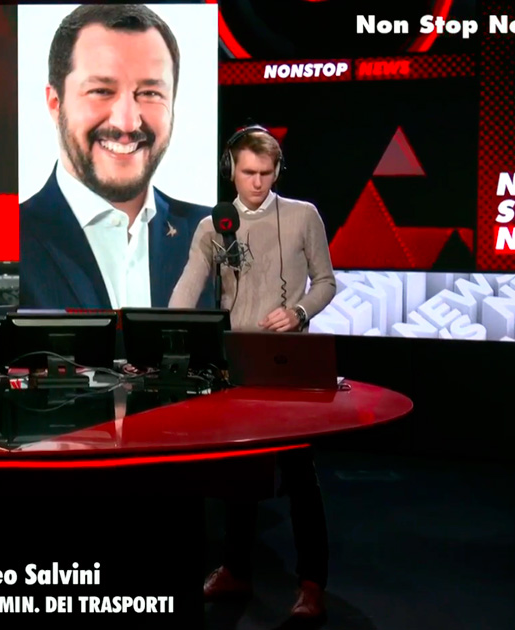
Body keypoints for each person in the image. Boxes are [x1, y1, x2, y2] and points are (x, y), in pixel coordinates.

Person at [168, 126, 336, 622]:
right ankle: (235, 570)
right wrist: (166, 335)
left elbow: (326, 283)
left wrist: (300, 312)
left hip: (288, 365)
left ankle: (311, 585)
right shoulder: (213, 226)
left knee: (300, 476)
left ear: (277, 171)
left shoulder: (303, 216)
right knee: (238, 472)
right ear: (231, 171)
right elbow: (187, 289)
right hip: (236, 365)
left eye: (265, 173)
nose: (257, 183)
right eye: (247, 173)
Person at [19, 4, 211, 310]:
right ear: (55, 103)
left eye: (150, 93)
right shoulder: (12, 240)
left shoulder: (214, 234)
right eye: (101, 91)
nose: (127, 123)